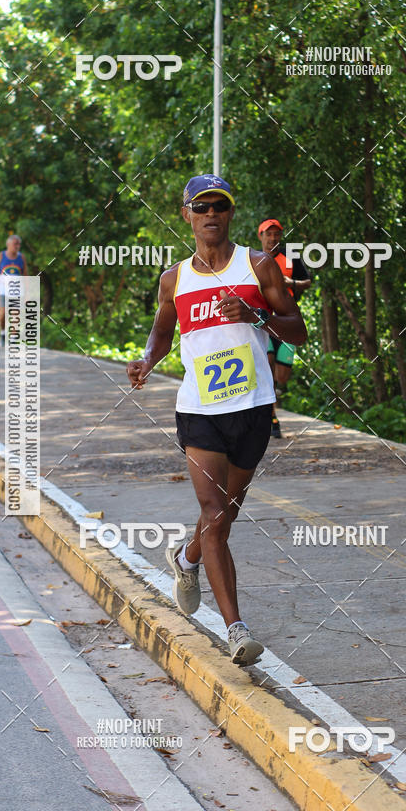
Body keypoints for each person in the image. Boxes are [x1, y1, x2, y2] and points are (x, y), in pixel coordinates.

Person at [127, 174, 307, 666]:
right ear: (186, 214)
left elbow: (298, 330)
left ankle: (187, 558)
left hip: (252, 408)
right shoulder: (174, 279)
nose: (211, 214)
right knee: (213, 512)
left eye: (219, 206)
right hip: (199, 410)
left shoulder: (258, 266)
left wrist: (254, 314)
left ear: (230, 214)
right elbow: (162, 332)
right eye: (201, 206)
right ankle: (236, 630)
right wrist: (147, 360)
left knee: (225, 513)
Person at [257, 218, 311, 438]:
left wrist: (292, 283)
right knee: (267, 364)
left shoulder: (291, 257)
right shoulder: (254, 260)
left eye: (276, 234)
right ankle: (272, 418)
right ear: (261, 236)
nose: (273, 238)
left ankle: (274, 396)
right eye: (268, 234)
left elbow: (307, 282)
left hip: (287, 320)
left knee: (282, 375)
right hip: (264, 321)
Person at [0, 234, 27, 345]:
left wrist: (27, 293)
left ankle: (13, 339)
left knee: (15, 314)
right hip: (3, 289)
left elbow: (25, 275)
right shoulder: (0, 256)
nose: (17, 246)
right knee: (3, 314)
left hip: (17, 288)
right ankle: (2, 333)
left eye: (19, 244)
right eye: (15, 244)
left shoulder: (21, 257)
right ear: (8, 244)